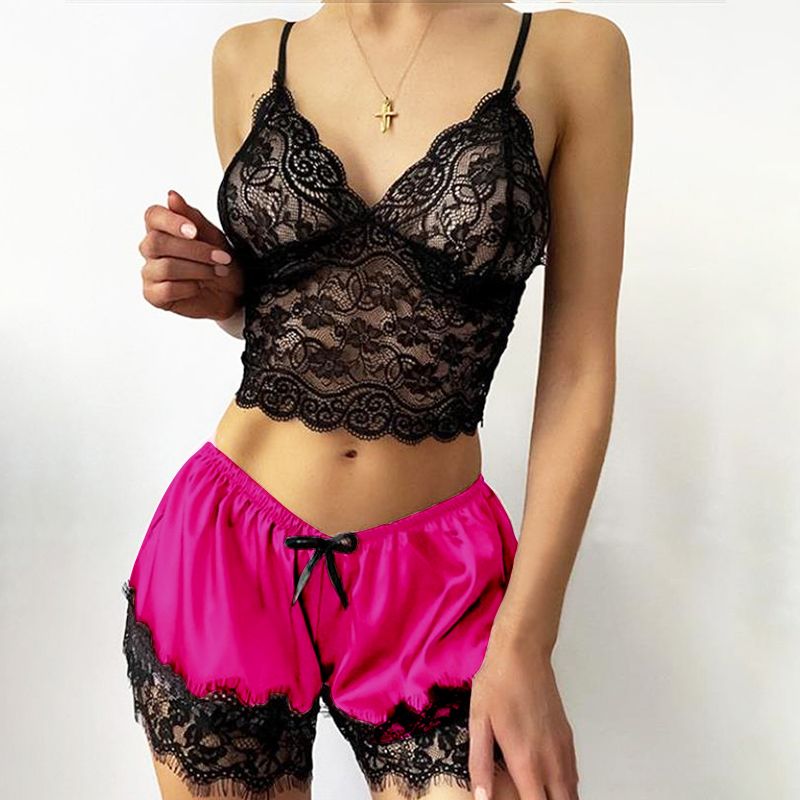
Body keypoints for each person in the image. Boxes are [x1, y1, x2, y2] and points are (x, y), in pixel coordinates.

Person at [126, 2, 632, 799]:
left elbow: (578, 367)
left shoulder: (570, 53)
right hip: (232, 546)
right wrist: (224, 297)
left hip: (440, 583)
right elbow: (306, 323)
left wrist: (526, 641)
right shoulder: (247, 57)